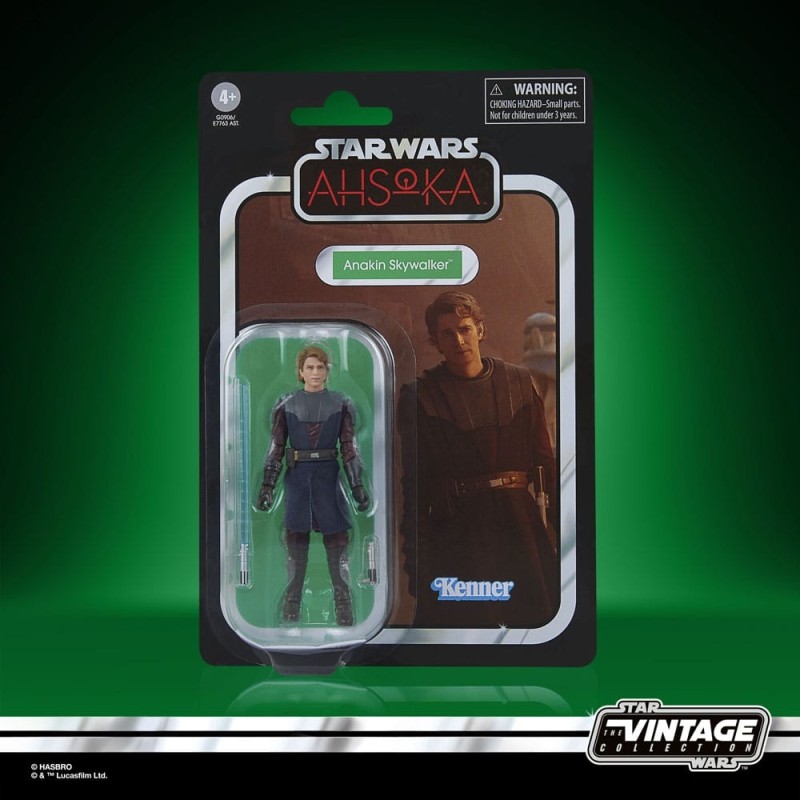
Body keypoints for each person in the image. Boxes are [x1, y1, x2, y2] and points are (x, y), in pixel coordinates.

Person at [400, 291, 558, 628]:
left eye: (465, 329)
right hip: (459, 535)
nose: (459, 341)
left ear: (480, 330)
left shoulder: (519, 383)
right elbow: (414, 489)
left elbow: (547, 467)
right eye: (447, 334)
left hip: (520, 530)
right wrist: (418, 564)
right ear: (436, 342)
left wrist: (566, 541)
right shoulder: (421, 397)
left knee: (532, 627)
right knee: (466, 631)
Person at [257, 345, 369, 626]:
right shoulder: (286, 404)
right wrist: (267, 485)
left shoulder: (341, 404)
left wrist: (357, 485)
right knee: (296, 541)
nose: (315, 372)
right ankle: (292, 601)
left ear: (327, 371)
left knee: (338, 540)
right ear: (300, 371)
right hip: (298, 478)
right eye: (310, 367)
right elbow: (276, 448)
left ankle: (343, 601)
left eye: (320, 367)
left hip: (328, 477)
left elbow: (349, 448)